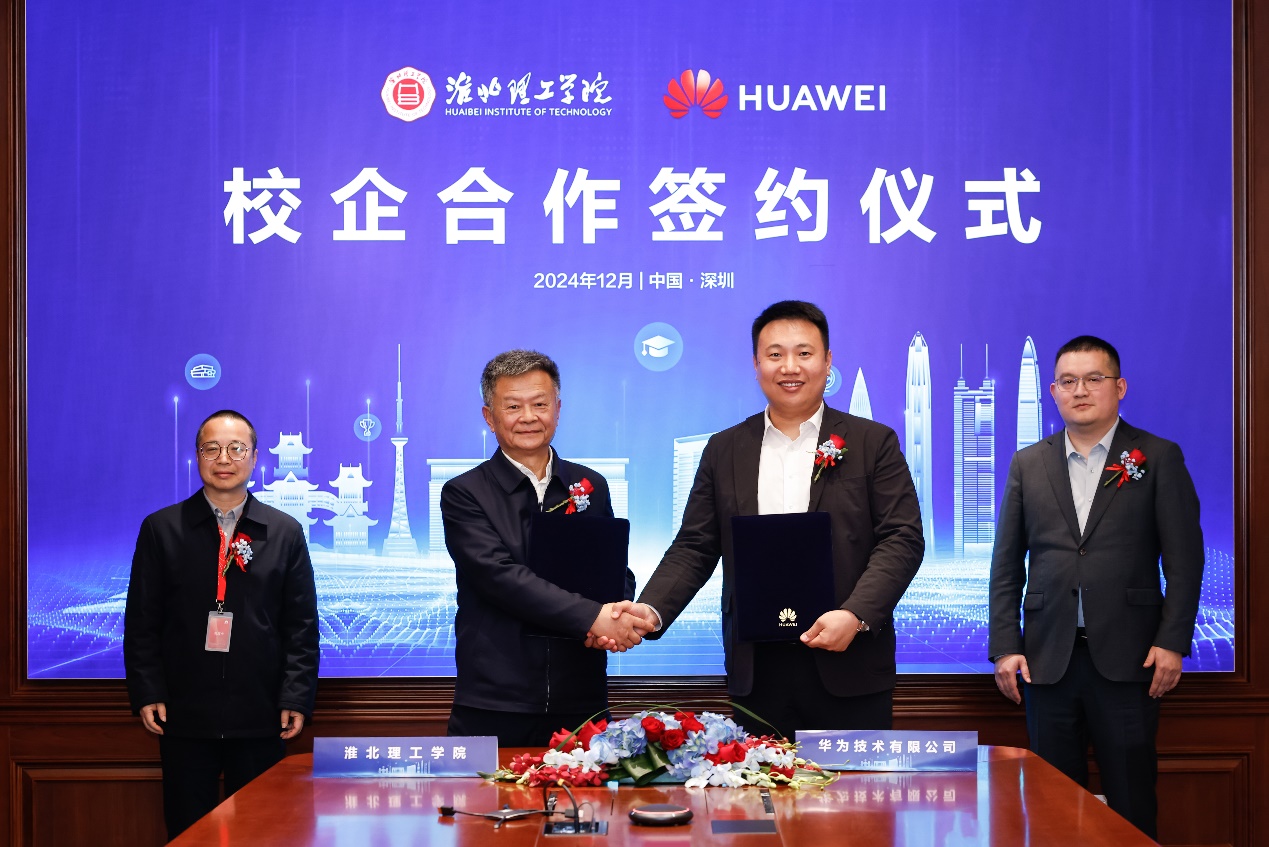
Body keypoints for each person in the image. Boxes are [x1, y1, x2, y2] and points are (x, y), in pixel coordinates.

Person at [600, 301, 925, 735]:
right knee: (760, 780)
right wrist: (649, 610)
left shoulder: (872, 442)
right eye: (775, 354)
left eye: (804, 353)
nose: (789, 367)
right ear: (756, 364)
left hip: (850, 662)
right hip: (757, 668)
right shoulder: (725, 449)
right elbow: (695, 545)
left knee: (851, 781)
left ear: (827, 361)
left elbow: (902, 538)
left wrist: (856, 614)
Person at [988, 335, 1203, 840]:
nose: (1079, 390)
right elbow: (1006, 564)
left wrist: (1173, 641)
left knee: (1131, 798)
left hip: (1131, 660)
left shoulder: (1157, 456)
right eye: (1068, 381)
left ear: (1119, 387)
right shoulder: (1028, 463)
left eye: (1093, 379)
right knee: (1051, 804)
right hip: (1046, 662)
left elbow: (1185, 559)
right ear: (1053, 392)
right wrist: (1006, 646)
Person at [440, 350, 654, 747]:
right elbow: (501, 578)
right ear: (489, 417)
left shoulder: (589, 485)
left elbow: (612, 568)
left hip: (582, 697)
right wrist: (594, 618)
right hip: (496, 700)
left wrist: (615, 614)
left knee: (591, 790)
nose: (528, 417)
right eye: (513, 406)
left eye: (539, 404)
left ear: (557, 409)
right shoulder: (465, 493)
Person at [124, 409, 319, 841]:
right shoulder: (162, 529)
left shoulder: (283, 532)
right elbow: (141, 622)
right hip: (183, 713)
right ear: (197, 456)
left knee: (261, 831)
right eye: (211, 448)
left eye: (236, 448)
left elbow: (301, 626)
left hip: (261, 713)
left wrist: (295, 696)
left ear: (254, 458)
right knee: (188, 830)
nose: (224, 459)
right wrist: (148, 690)